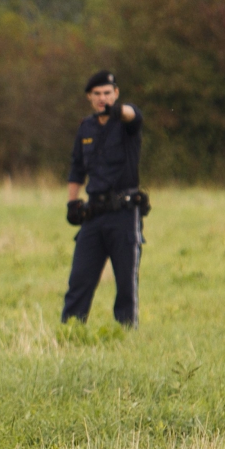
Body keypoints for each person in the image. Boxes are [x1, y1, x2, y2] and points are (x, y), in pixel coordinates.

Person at [61, 69, 149, 327]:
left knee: (125, 280)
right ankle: (71, 331)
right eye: (97, 94)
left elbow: (133, 114)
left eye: (108, 93)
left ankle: (126, 330)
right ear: (89, 96)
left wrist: (117, 111)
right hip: (94, 213)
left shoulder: (126, 122)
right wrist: (72, 202)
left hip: (124, 212)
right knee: (79, 278)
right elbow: (77, 168)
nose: (103, 98)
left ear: (116, 94)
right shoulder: (85, 127)